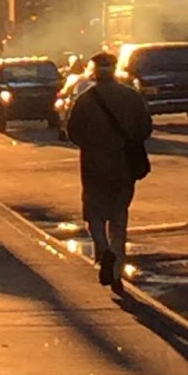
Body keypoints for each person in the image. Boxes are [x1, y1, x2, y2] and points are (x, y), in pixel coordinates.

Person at [66, 51, 152, 295]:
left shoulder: (85, 101)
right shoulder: (131, 97)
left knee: (94, 216)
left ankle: (103, 252)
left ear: (94, 71)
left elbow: (72, 133)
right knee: (119, 218)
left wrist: (93, 144)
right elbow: (145, 128)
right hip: (124, 167)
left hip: (93, 168)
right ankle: (116, 266)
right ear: (114, 70)